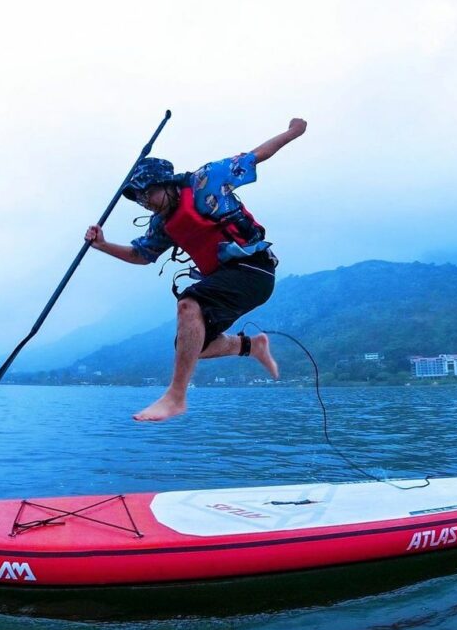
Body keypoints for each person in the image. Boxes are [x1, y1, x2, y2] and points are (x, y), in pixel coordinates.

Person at [85, 117, 308, 421]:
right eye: (137, 197)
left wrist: (293, 132)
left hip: (255, 269)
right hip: (225, 279)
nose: (143, 201)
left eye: (146, 192)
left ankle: (175, 397)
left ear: (165, 183)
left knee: (189, 304)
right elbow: (141, 254)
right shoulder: (163, 224)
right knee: (192, 346)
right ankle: (250, 345)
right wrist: (102, 245)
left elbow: (257, 155)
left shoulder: (206, 179)